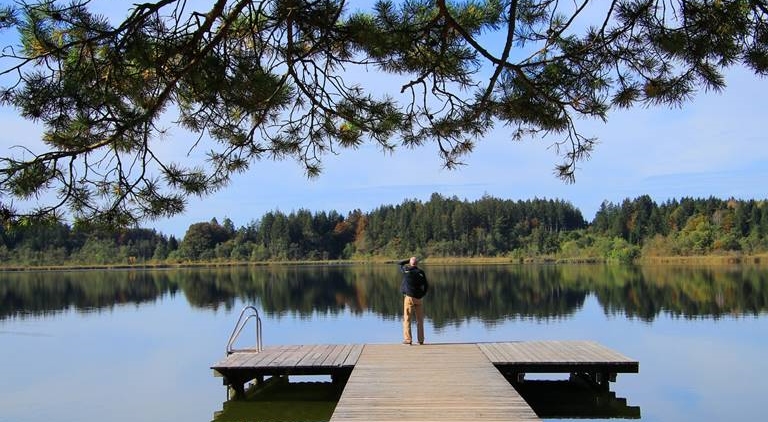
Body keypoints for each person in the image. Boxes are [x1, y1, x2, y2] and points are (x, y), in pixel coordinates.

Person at [398, 256, 428, 345]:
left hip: (409, 297)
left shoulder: (407, 271)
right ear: (417, 263)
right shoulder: (421, 272)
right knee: (420, 320)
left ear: (410, 263)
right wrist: (422, 294)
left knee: (407, 318)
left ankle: (408, 340)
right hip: (419, 298)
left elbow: (400, 263)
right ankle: (421, 340)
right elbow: (426, 286)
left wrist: (409, 260)